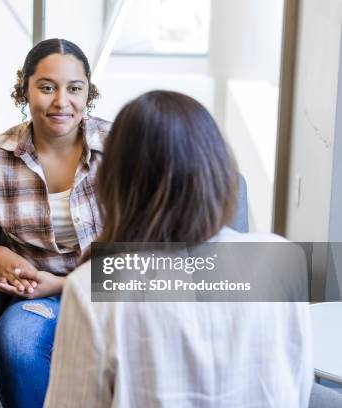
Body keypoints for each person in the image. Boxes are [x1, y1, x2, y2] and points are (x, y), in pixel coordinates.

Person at [43, 91, 314, 407]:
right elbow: (297, 383)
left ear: (116, 182)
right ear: (218, 172)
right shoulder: (282, 260)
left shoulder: (95, 287)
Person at [0, 38, 110, 408]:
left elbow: (155, 249)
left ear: (88, 92)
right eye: (46, 87)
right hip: (39, 298)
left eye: (74, 88)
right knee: (17, 342)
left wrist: (64, 284)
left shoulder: (125, 149)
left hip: (115, 294)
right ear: (24, 89)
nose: (61, 102)